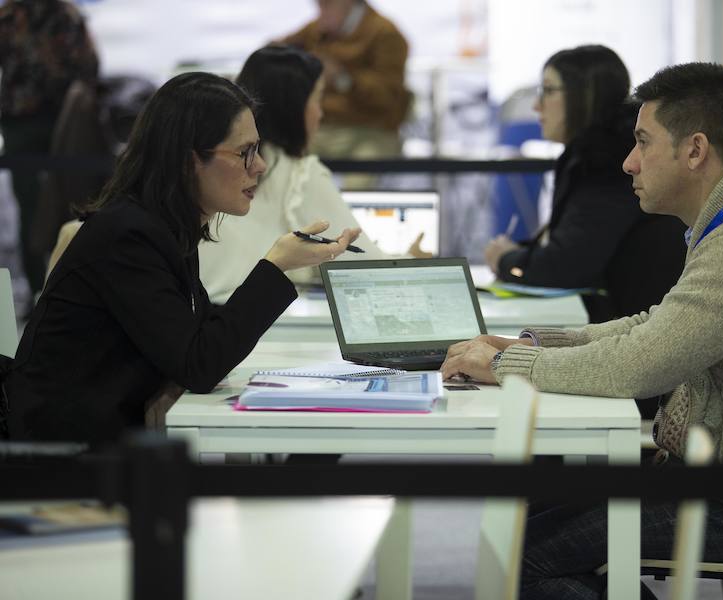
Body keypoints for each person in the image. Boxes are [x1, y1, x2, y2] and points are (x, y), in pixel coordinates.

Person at [441, 62, 723, 598]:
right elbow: (658, 326)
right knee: (528, 518)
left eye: (643, 141)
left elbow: (641, 366)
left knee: (524, 554)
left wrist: (504, 366)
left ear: (695, 150)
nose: (629, 162)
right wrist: (533, 344)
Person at [1, 72, 360, 444]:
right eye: (244, 152)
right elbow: (199, 364)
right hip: (54, 456)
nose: (260, 166)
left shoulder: (164, 228)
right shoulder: (128, 235)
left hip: (99, 441)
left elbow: (194, 335)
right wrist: (276, 266)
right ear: (189, 160)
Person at [200, 45, 425, 304]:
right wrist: (413, 260)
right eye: (317, 99)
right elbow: (366, 269)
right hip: (259, 326)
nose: (321, 112)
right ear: (293, 106)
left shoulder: (215, 168)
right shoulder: (299, 173)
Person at [484, 45, 685, 324]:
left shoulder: (608, 163)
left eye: (548, 90)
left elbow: (567, 265)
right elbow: (578, 243)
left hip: (637, 326)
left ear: (584, 95)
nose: (536, 105)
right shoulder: (596, 154)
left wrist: (507, 260)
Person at [0, 0, 99, 300]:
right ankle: (43, 289)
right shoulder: (13, 16)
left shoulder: (62, 15)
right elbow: (90, 67)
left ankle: (64, 287)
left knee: (68, 203)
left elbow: (89, 67)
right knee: (41, 204)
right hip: (31, 122)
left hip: (58, 120)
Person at [276, 0, 411, 188]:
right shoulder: (318, 29)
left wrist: (343, 79)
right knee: (279, 168)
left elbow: (387, 97)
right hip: (322, 128)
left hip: (371, 130)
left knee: (358, 187)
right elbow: (276, 48)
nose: (320, 11)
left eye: (326, 5)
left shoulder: (386, 34)